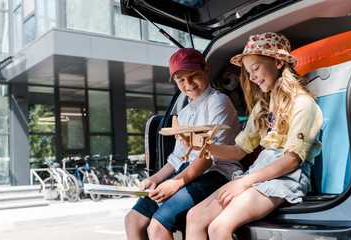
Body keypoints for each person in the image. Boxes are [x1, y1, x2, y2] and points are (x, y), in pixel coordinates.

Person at [185, 32, 323, 239]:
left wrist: (243, 182)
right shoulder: (263, 106)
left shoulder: (303, 104)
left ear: (277, 62)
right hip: (258, 172)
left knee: (218, 227)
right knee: (194, 216)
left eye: (255, 68)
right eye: (248, 72)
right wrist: (204, 146)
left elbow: (292, 160)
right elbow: (239, 151)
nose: (251, 77)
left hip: (285, 178)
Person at [124, 48, 242, 240]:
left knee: (158, 226)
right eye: (181, 80)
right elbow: (178, 158)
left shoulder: (219, 101)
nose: (188, 84)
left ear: (206, 70)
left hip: (217, 173)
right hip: (189, 172)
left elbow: (209, 156)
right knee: (132, 220)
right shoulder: (185, 113)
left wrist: (175, 183)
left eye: (193, 75)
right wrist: (155, 179)